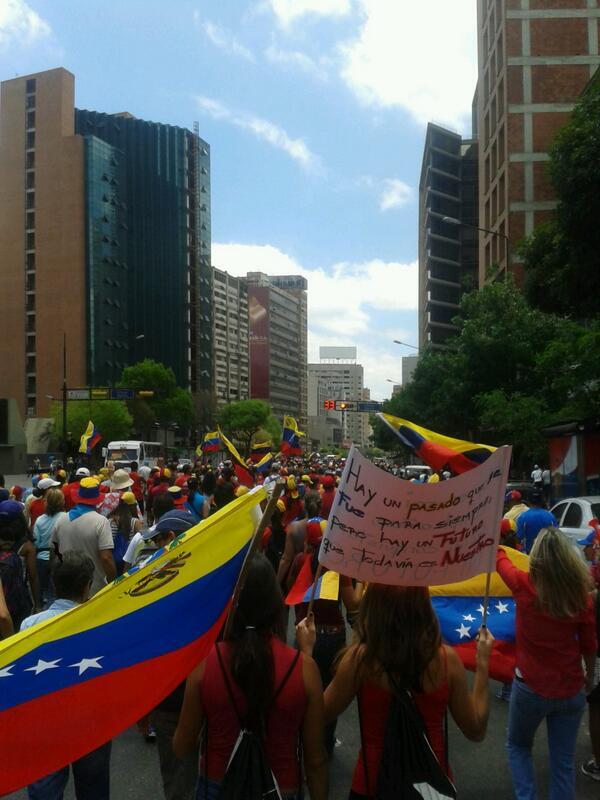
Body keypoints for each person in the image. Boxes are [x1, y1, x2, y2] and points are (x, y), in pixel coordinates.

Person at [297, 583, 492, 798]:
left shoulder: (360, 660)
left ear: (375, 605)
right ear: (423, 605)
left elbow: (317, 715)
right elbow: (475, 729)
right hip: (431, 786)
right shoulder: (447, 661)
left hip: (372, 785)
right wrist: (483, 663)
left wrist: (306, 654)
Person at [173, 554, 328, 800]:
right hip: (281, 788)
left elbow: (181, 744)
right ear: (275, 603)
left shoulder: (205, 664)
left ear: (232, 603)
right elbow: (316, 761)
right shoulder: (305, 669)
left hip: (218, 785)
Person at [496, 527, 597, 799]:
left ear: (536, 557)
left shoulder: (523, 583)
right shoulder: (581, 596)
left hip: (530, 688)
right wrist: (590, 679)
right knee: (563, 763)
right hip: (571, 689)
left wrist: (492, 540)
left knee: (518, 746)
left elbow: (499, 560)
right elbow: (589, 646)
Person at [22, 551, 112, 800]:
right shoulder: (101, 624)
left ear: (54, 584)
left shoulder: (30, 625)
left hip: (44, 719)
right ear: (86, 586)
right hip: (91, 720)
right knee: (93, 787)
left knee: (45, 789)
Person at [51, 478, 116, 596]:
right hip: (93, 587)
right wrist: (114, 584)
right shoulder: (101, 522)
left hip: (66, 587)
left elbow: (54, 551)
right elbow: (106, 558)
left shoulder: (61, 520)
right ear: (96, 500)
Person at [33, 488, 68, 605]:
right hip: (60, 557)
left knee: (43, 589)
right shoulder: (66, 517)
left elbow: (36, 542)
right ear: (61, 502)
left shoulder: (40, 520)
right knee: (59, 590)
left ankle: (40, 607)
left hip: (42, 559)